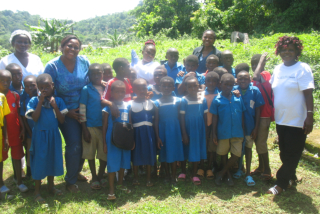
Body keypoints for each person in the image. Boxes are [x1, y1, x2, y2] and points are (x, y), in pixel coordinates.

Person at [267, 36, 314, 195]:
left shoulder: (302, 68)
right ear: (279, 51)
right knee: (284, 151)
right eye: (283, 50)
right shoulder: (278, 68)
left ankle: (280, 183)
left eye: (290, 50)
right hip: (281, 118)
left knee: (293, 152)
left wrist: (310, 116)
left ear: (297, 52)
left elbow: (308, 94)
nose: (286, 53)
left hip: (298, 120)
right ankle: (291, 177)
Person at [44, 35, 90, 193]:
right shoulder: (53, 66)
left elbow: (90, 81)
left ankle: (76, 172)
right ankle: (70, 181)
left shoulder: (84, 61)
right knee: (74, 143)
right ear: (62, 46)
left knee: (84, 141)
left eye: (76, 47)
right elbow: (47, 91)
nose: (72, 49)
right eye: (69, 46)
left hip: (84, 109)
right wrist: (66, 111)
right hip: (65, 112)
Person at [26, 73, 67, 203]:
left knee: (52, 159)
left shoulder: (58, 101)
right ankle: (37, 191)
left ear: (52, 86)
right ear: (38, 88)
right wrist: (40, 102)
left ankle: (51, 186)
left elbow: (61, 120)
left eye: (47, 87)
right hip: (40, 136)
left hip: (53, 135)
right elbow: (35, 118)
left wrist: (55, 106)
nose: (44, 90)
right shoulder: (34, 101)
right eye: (41, 87)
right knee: (39, 161)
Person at [211, 73, 246, 186]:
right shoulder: (217, 100)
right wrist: (214, 133)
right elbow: (215, 117)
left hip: (237, 131)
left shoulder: (238, 98)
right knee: (223, 153)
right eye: (226, 84)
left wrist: (243, 129)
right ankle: (228, 175)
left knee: (237, 154)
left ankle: (221, 173)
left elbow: (242, 115)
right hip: (223, 132)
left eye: (231, 85)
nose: (228, 87)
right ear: (220, 84)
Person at [232, 71, 265, 186]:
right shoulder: (234, 90)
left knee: (248, 148)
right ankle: (240, 169)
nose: (243, 81)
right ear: (237, 79)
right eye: (240, 78)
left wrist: (256, 128)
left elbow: (258, 110)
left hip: (250, 126)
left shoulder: (255, 91)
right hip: (236, 127)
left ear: (250, 79)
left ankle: (248, 174)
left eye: (245, 78)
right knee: (238, 148)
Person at [102, 80, 132, 200]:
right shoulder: (107, 108)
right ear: (112, 93)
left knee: (123, 162)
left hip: (125, 137)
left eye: (123, 92)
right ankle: (111, 189)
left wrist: (131, 140)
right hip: (112, 138)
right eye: (117, 92)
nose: (120, 94)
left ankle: (120, 184)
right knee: (113, 162)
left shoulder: (128, 106)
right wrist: (104, 143)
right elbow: (104, 126)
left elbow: (130, 123)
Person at [79, 63, 107, 190]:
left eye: (99, 73)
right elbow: (82, 109)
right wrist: (84, 129)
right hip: (90, 126)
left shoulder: (107, 87)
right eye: (93, 74)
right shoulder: (86, 89)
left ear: (103, 74)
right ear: (89, 75)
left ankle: (101, 175)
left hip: (105, 127)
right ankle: (94, 177)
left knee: (104, 152)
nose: (96, 76)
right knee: (90, 153)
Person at [154, 76, 184, 185]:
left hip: (175, 130)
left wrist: (182, 133)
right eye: (164, 86)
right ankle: (166, 175)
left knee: (174, 152)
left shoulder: (178, 101)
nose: (166, 88)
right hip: (163, 130)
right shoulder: (157, 102)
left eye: (169, 86)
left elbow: (181, 118)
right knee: (164, 152)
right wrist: (157, 136)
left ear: (173, 87)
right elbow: (156, 121)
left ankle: (173, 176)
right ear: (159, 87)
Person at [0, 70, 27, 192]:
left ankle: (19, 181)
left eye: (8, 81)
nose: (5, 83)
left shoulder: (15, 96)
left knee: (17, 156)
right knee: (1, 158)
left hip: (14, 131)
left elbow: (18, 114)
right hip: (1, 134)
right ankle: (1, 184)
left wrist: (22, 128)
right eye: (2, 81)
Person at [179, 77, 208, 185]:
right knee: (185, 148)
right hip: (187, 128)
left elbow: (205, 116)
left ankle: (194, 174)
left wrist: (205, 130)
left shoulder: (202, 99)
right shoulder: (184, 100)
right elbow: (182, 117)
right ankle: (183, 171)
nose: (192, 88)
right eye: (189, 86)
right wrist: (184, 133)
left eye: (195, 85)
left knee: (196, 149)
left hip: (199, 129)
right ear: (186, 88)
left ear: (198, 86)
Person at [130, 78, 157, 187]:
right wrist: (131, 137)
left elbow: (155, 120)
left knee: (149, 153)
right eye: (139, 89)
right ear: (134, 90)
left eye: (144, 88)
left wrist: (157, 136)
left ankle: (148, 179)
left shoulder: (151, 103)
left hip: (149, 132)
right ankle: (135, 177)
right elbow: (130, 122)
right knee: (136, 153)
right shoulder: (130, 104)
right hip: (136, 132)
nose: (142, 91)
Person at [251, 53, 273, 180]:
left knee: (261, 142)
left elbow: (256, 75)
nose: (255, 66)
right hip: (256, 115)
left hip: (264, 115)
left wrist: (262, 61)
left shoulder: (265, 75)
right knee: (257, 141)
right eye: (253, 64)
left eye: (257, 63)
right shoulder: (255, 79)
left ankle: (268, 169)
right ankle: (261, 167)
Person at [5, 63, 28, 179]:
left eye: (19, 73)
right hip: (13, 125)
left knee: (29, 148)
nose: (17, 77)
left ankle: (30, 171)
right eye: (13, 75)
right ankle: (18, 173)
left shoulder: (28, 85)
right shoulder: (7, 90)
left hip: (28, 124)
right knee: (16, 150)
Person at [198, 72, 220, 179]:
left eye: (214, 81)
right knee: (203, 145)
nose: (211, 83)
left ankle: (209, 168)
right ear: (205, 82)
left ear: (217, 82)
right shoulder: (200, 94)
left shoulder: (220, 94)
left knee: (212, 146)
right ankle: (201, 167)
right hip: (203, 124)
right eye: (208, 81)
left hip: (215, 125)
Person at [20, 75, 38, 179]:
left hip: (41, 131)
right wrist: (29, 133)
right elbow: (24, 119)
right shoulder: (24, 101)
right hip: (30, 132)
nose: (29, 88)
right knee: (30, 151)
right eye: (26, 86)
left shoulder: (41, 98)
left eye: (32, 85)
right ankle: (30, 172)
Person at [0, 84, 11, 196]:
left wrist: (6, 137)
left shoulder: (2, 97)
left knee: (0, 160)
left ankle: (1, 184)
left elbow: (4, 117)